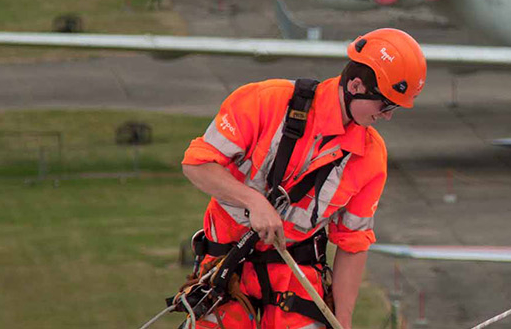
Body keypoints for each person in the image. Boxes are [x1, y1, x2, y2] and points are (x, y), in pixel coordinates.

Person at [178, 28, 427, 329]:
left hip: (294, 271)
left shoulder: (370, 157)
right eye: (385, 105)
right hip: (228, 261)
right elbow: (196, 164)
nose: (387, 116)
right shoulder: (267, 102)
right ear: (356, 85)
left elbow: (352, 243)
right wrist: (253, 202)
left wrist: (343, 320)